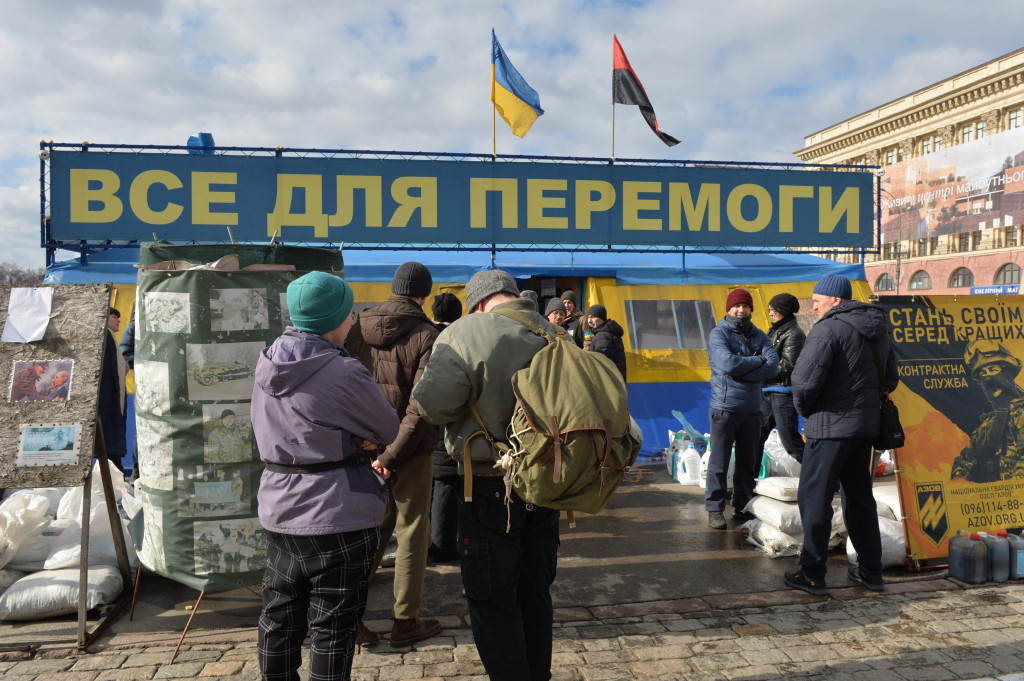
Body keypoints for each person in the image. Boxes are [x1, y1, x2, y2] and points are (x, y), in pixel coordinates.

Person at [413, 269, 562, 681]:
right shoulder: (554, 332)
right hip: (547, 484)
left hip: (489, 485)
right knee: (534, 594)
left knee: (492, 598)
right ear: (514, 296)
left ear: (479, 301)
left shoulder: (465, 332)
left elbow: (431, 406)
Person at [251, 270, 400, 681]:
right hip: (338, 510)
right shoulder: (344, 371)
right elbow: (387, 429)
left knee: (279, 617)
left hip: (280, 506)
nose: (353, 319)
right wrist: (356, 441)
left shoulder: (267, 361)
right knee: (333, 627)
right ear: (335, 317)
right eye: (349, 312)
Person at [346, 261, 443, 647]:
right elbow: (420, 407)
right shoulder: (427, 335)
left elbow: (347, 391)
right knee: (412, 534)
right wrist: (393, 456)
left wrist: (374, 450)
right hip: (412, 451)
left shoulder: (356, 328)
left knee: (369, 534)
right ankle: (405, 621)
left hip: (364, 449)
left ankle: (349, 616)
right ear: (424, 293)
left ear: (394, 288)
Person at [786, 273, 898, 596]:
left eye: (818, 302)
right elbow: (891, 379)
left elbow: (803, 383)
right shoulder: (878, 330)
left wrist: (807, 411)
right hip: (864, 430)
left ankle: (812, 573)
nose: (815, 308)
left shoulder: (827, 329)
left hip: (829, 428)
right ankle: (870, 571)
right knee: (860, 499)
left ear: (836, 300)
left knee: (814, 498)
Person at [706, 288, 779, 530]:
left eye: (745, 306)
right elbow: (727, 363)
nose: (741, 310)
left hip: (752, 409)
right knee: (719, 462)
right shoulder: (718, 334)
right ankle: (715, 509)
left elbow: (773, 367)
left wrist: (744, 367)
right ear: (728, 308)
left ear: (751, 309)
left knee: (748, 463)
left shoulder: (759, 335)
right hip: (725, 408)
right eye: (736, 306)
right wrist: (757, 359)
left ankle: (743, 503)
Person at [950, 340, 1024, 482]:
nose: (988, 377)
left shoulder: (1021, 414)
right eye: (983, 373)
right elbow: (964, 461)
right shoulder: (989, 424)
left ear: (1007, 372)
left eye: (993, 369)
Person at [428, 291, 463, 564]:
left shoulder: (423, 335)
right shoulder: (458, 340)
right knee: (446, 484)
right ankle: (442, 545)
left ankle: (430, 539)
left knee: (431, 484)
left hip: (416, 422)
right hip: (447, 423)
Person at [757, 293, 807, 474]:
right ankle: (749, 482)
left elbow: (788, 365)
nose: (770, 314)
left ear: (782, 311)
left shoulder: (794, 334)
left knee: (791, 443)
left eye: (773, 310)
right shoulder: (776, 329)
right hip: (767, 392)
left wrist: (759, 368)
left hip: (782, 394)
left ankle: (827, 480)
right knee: (756, 438)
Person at [99, 307, 128, 472]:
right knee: (109, 450)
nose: (118, 320)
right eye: (114, 316)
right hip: (108, 404)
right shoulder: (106, 336)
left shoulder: (111, 337)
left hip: (112, 403)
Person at [585, 304, 627, 383]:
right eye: (588, 317)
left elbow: (603, 364)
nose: (590, 321)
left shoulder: (602, 336)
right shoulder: (610, 333)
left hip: (607, 383)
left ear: (602, 318)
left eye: (593, 317)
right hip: (616, 382)